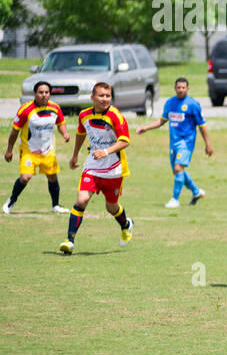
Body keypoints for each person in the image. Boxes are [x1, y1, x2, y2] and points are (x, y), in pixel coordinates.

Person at [59, 83, 133, 253]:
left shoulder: (115, 115)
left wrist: (106, 151)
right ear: (92, 97)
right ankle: (69, 241)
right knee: (82, 200)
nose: (105, 99)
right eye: (101, 96)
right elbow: (81, 133)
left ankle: (126, 224)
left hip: (114, 168)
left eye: (108, 96)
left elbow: (125, 140)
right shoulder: (84, 115)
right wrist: (75, 154)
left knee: (111, 207)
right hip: (92, 166)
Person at [137, 77, 212, 207]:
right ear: (175, 88)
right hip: (174, 143)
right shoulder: (170, 103)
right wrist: (145, 128)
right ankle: (196, 191)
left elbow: (202, 126)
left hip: (187, 142)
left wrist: (208, 144)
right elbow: (162, 120)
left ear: (187, 89)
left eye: (183, 87)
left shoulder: (193, 104)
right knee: (178, 170)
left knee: (178, 168)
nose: (180, 90)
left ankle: (175, 199)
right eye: (178, 87)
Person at [5, 81, 70, 214]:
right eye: (41, 92)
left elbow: (60, 123)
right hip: (29, 150)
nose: (44, 95)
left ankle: (55, 206)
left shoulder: (55, 108)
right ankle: (11, 200)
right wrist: (9, 150)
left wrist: (65, 133)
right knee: (25, 177)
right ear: (35, 94)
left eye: (46, 92)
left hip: (47, 150)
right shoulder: (25, 110)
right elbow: (14, 132)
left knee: (52, 177)